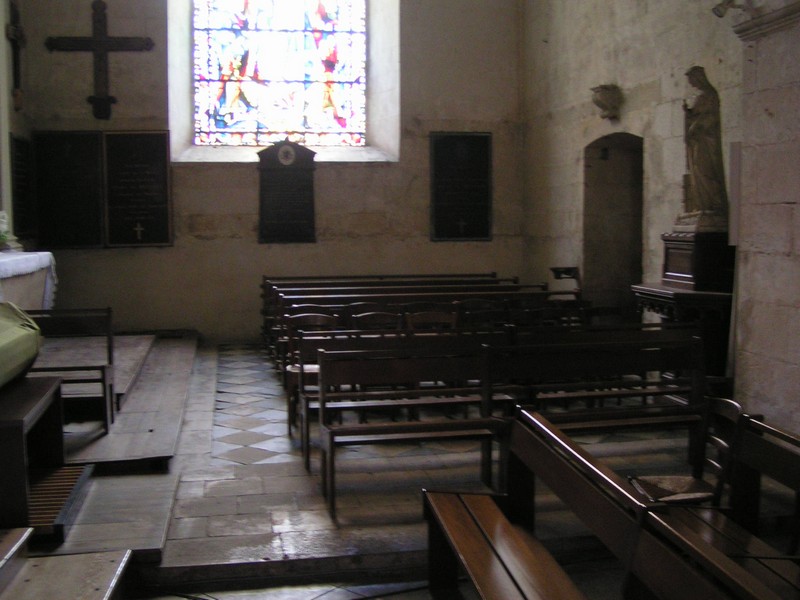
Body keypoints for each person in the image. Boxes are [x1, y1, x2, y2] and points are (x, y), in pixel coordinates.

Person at [683, 66, 728, 216]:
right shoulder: (702, 96)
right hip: (697, 140)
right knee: (697, 170)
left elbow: (711, 118)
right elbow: (696, 116)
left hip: (706, 141)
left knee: (705, 169)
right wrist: (688, 114)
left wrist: (696, 125)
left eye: (692, 80)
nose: (692, 84)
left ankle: (712, 204)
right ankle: (701, 204)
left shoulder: (710, 95)